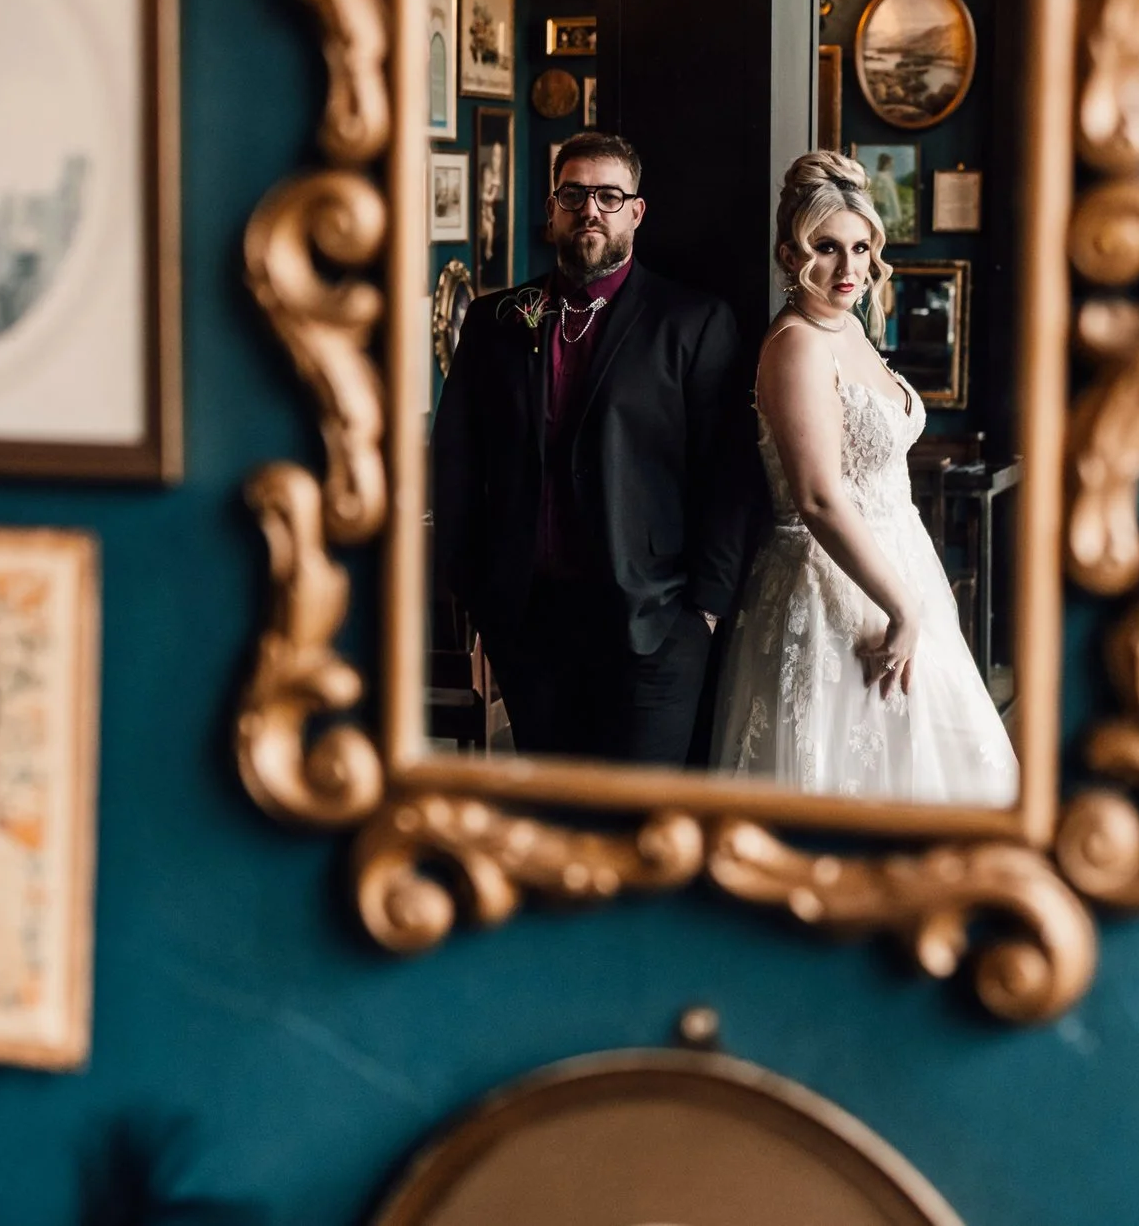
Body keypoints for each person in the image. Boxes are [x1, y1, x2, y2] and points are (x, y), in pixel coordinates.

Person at [430, 131, 760, 765]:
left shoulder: (692, 322)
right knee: (554, 812)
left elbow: (727, 474)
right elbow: (457, 459)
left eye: (610, 196)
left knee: (640, 820)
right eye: (574, 194)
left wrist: (705, 612)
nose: (590, 210)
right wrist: (473, 587)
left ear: (636, 212)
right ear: (552, 208)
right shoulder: (496, 320)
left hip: (656, 622)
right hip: (528, 622)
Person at [711, 151, 1016, 802]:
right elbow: (819, 498)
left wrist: (915, 596)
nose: (849, 267)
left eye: (859, 246)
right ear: (792, 255)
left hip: (896, 561)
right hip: (832, 583)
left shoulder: (848, 325)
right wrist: (901, 605)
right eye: (826, 246)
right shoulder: (796, 344)